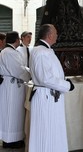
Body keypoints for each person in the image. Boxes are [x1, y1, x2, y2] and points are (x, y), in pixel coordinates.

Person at [28, 24, 74, 152]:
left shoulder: (45, 50)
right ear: (49, 35)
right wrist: (67, 85)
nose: (57, 35)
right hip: (45, 97)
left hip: (48, 96)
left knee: (51, 130)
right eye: (56, 33)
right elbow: (46, 78)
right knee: (45, 130)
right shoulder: (41, 52)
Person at [0, 31, 31, 149]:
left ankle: (14, 139)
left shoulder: (10, 51)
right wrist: (30, 74)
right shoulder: (9, 52)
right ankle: (11, 141)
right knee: (11, 113)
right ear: (16, 40)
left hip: (12, 86)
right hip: (11, 87)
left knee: (14, 113)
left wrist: (27, 71)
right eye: (19, 39)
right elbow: (18, 70)